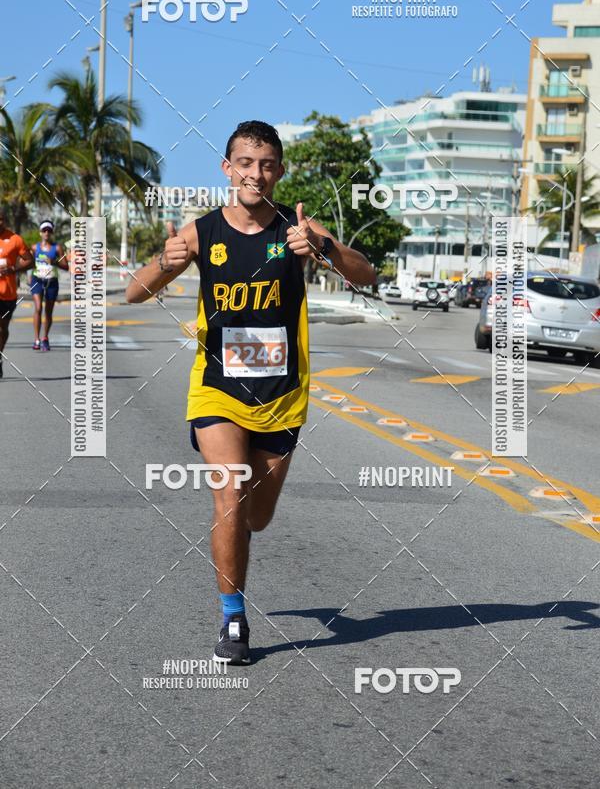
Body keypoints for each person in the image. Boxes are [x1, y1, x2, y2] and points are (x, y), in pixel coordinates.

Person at [126, 120, 375, 664]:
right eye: (245, 163)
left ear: (279, 171)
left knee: (256, 516)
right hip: (216, 389)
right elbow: (133, 292)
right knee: (230, 498)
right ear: (227, 169)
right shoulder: (202, 231)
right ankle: (233, 618)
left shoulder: (297, 229)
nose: (255, 174)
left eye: (265, 165)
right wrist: (165, 264)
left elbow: (367, 275)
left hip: (281, 394)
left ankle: (240, 557)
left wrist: (323, 246)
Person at [0, 207, 33, 378]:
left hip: (8, 293)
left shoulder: (15, 239)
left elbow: (30, 261)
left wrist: (12, 269)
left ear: (5, 220)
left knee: (2, 328)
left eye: (1, 218)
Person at [29, 220, 68, 351]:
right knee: (38, 308)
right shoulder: (34, 248)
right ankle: (36, 339)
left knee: (48, 312)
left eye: (49, 231)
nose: (46, 233)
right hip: (37, 280)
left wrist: (54, 261)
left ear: (51, 233)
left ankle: (45, 337)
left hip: (52, 282)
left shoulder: (57, 248)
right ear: (40, 232)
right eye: (44, 230)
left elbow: (66, 266)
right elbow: (28, 262)